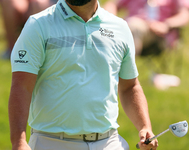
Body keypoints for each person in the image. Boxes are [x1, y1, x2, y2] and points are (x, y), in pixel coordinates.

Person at [9, 0, 158, 150]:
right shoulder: (38, 25)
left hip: (109, 142)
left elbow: (130, 87)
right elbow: (21, 86)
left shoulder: (120, 28)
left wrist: (144, 126)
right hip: (51, 142)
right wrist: (19, 141)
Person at [104, 0, 189, 56]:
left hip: (159, 35)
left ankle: (121, 73)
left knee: (134, 27)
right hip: (129, 27)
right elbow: (112, 4)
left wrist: (166, 25)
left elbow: (184, 15)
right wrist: (112, 21)